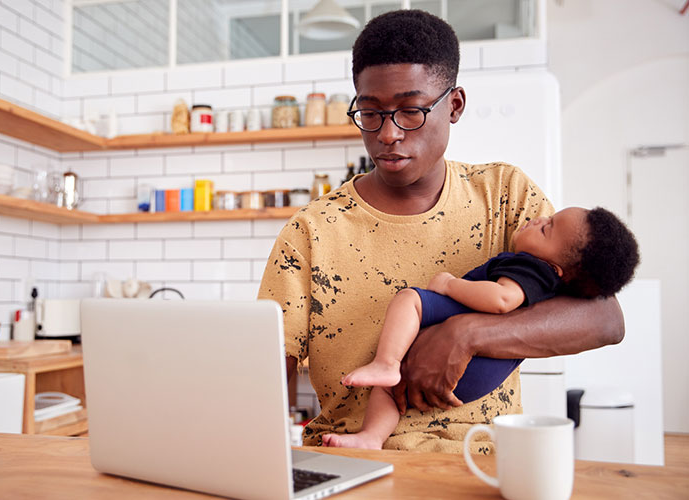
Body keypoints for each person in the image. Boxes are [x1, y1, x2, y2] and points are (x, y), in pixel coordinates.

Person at [257, 9, 625, 453]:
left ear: (454, 105)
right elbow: (267, 372)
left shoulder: (506, 196)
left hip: (481, 463)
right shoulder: (312, 231)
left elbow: (605, 319)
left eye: (411, 111)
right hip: (350, 459)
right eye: (370, 113)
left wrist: (466, 335)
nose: (388, 134)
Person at [321, 206, 639, 449]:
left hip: (472, 362)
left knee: (410, 300)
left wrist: (449, 286)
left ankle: (385, 362)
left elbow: (501, 299)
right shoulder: (554, 272)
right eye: (549, 218)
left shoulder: (531, 267)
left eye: (547, 228)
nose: (539, 218)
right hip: (481, 378)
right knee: (391, 389)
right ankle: (371, 437)